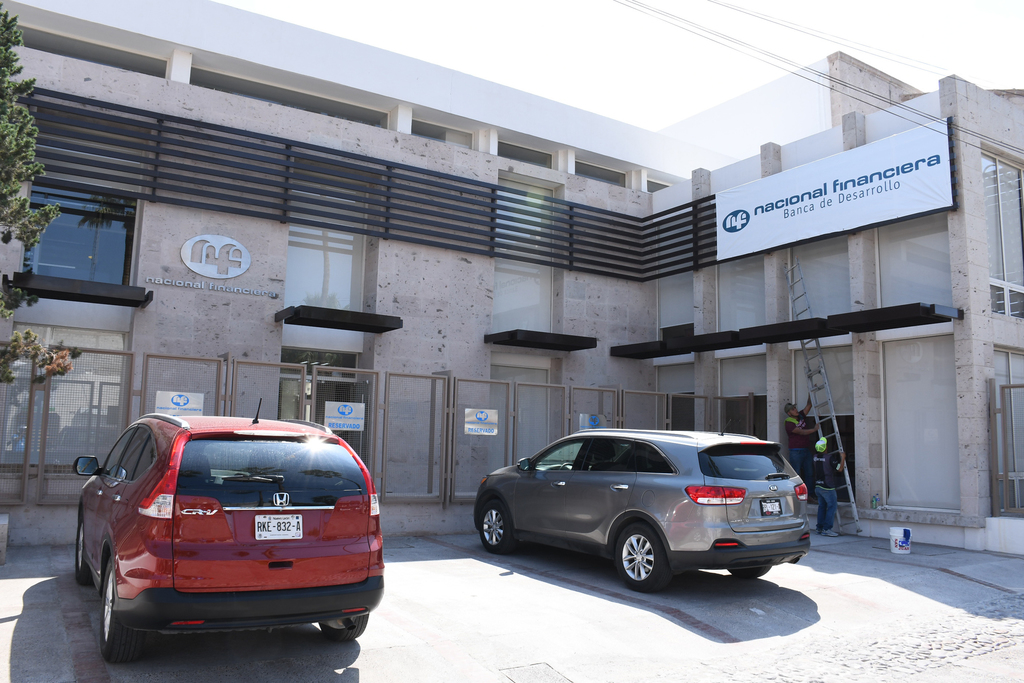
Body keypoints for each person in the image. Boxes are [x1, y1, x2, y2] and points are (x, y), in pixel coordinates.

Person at [784, 397, 817, 503]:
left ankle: (810, 495)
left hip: (806, 450)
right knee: (796, 475)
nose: (795, 410)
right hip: (796, 451)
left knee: (809, 473)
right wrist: (814, 429)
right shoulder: (789, 423)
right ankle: (796, 497)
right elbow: (801, 432)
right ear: (789, 413)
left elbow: (809, 405)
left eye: (795, 408)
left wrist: (809, 392)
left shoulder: (801, 416)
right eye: (793, 409)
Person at [813, 438, 847, 537]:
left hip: (818, 486)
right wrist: (843, 457)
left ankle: (819, 528)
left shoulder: (814, 457)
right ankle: (827, 529)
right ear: (825, 448)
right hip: (827, 487)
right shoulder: (829, 458)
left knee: (822, 507)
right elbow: (839, 469)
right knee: (832, 507)